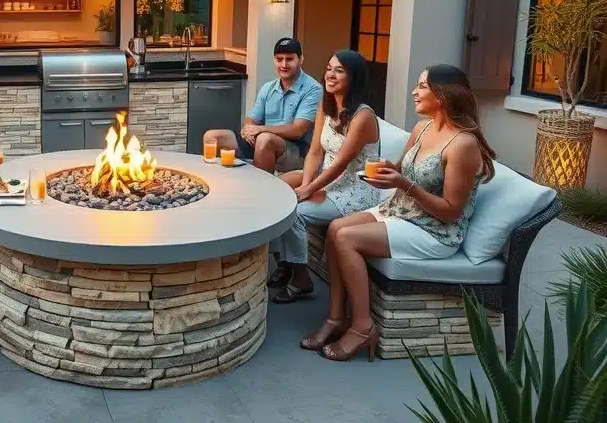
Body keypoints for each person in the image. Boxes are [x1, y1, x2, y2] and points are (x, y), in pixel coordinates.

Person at [301, 64, 496, 362]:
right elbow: (403, 168)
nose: (414, 92)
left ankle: (363, 327)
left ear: (442, 95)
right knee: (335, 228)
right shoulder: (423, 128)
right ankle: (336, 317)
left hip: (435, 230)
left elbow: (451, 212)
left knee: (347, 238)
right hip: (402, 211)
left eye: (422, 86)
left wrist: (404, 184)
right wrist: (387, 170)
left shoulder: (463, 144)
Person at [269, 51, 381, 304]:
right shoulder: (326, 105)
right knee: (275, 194)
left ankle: (301, 278)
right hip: (327, 178)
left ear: (354, 77)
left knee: (295, 212)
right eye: (329, 68)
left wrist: (308, 190)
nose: (330, 74)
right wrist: (306, 184)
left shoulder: (363, 116)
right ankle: (285, 263)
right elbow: (315, 152)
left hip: (355, 189)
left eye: (339, 70)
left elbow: (341, 164)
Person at [204, 37, 322, 174]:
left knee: (264, 139)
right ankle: (226, 182)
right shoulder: (268, 87)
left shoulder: (313, 89)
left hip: (296, 151)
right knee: (212, 137)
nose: (284, 64)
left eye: (289, 59)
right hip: (262, 141)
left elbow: (297, 130)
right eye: (279, 59)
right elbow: (252, 119)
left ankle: (261, 185)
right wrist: (249, 129)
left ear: (301, 60)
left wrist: (260, 129)